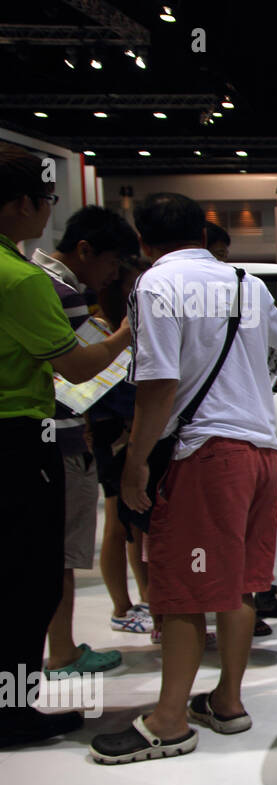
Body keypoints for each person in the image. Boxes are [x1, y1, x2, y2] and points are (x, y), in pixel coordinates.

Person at [89, 192, 277, 763]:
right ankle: (226, 701)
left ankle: (169, 721)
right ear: (203, 235)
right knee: (240, 584)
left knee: (179, 593)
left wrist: (134, 465)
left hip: (204, 456)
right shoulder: (248, 283)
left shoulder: (154, 285)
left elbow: (157, 384)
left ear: (144, 242)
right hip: (262, 452)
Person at [0, 142, 133, 748]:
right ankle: (13, 710)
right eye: (46, 200)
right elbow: (78, 368)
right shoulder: (22, 281)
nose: (47, 212)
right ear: (21, 204)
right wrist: (129, 332)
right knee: (29, 580)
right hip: (19, 440)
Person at [33, 206, 140, 678]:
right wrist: (124, 337)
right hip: (57, 437)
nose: (113, 275)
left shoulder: (36, 280)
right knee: (58, 553)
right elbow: (79, 369)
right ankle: (62, 653)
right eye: (112, 263)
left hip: (44, 433)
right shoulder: (55, 291)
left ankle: (58, 649)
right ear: (84, 250)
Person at [89, 256, 151, 636]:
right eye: (132, 287)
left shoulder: (133, 332)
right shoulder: (101, 330)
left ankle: (144, 599)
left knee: (136, 525)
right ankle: (121, 606)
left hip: (134, 436)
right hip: (113, 437)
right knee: (118, 525)